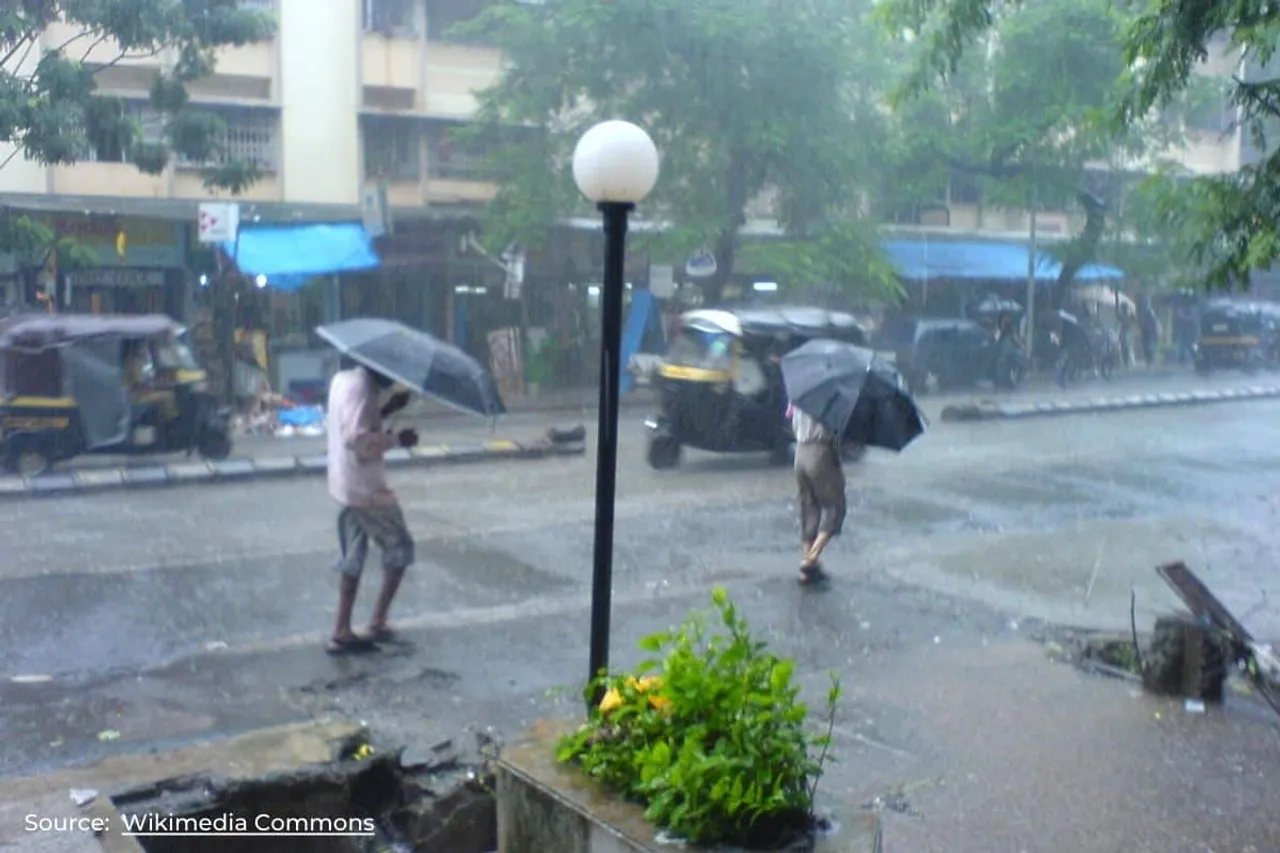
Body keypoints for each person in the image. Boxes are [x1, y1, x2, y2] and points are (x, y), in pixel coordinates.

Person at [325, 357, 419, 655]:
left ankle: (342, 628)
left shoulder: (344, 380)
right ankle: (378, 619)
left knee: (353, 556)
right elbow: (359, 440)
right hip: (366, 489)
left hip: (344, 483)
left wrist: (390, 408)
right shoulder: (363, 389)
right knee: (400, 547)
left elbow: (355, 421)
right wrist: (397, 440)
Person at [788, 401, 846, 585]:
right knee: (836, 508)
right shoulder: (832, 399)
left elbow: (789, 417)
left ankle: (808, 570)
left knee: (809, 507)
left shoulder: (800, 396)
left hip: (800, 454)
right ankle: (810, 560)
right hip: (819, 452)